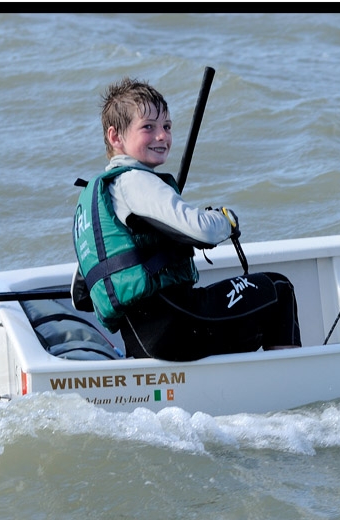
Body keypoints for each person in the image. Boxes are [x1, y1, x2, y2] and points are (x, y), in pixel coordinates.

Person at [72, 77, 301, 361]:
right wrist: (226, 220)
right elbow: (201, 231)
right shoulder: (136, 182)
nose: (162, 136)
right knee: (278, 290)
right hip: (175, 327)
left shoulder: (97, 199)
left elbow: (80, 294)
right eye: (148, 127)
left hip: (140, 340)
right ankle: (286, 389)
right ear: (115, 137)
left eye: (166, 127)